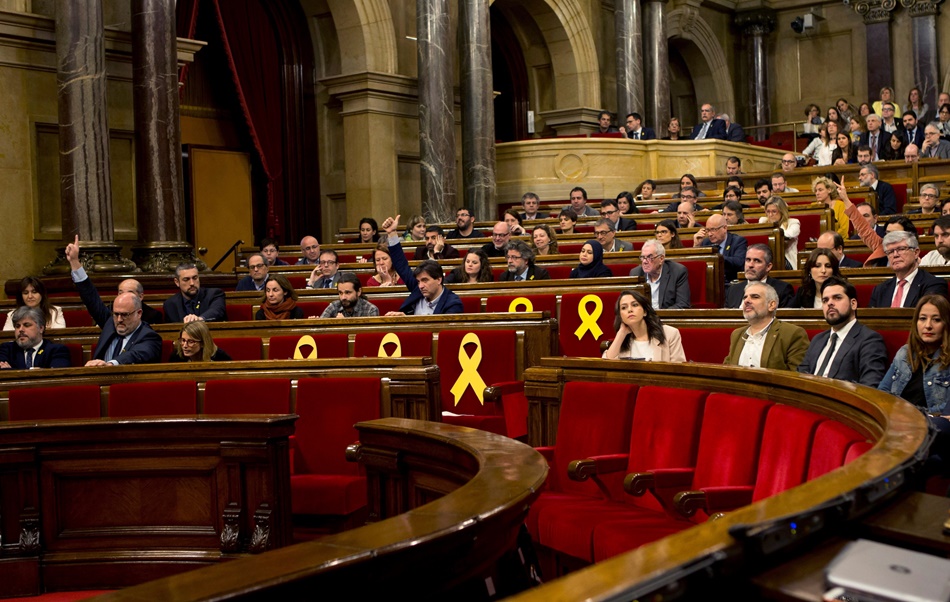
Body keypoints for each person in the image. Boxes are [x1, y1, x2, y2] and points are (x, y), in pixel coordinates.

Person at [65, 235, 162, 366]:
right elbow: (91, 299)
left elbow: (135, 354)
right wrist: (75, 262)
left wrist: (111, 364)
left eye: (125, 315)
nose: (119, 319)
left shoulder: (149, 336)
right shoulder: (111, 323)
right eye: (116, 314)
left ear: (139, 313)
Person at [798, 276, 888, 387]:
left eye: (837, 298)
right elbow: (801, 375)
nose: (830, 303)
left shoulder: (869, 340)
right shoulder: (818, 339)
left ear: (853, 304)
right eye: (825, 300)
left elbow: (870, 386)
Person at [879, 295, 950, 416]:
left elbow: (946, 409)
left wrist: (911, 415)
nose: (928, 325)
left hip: (930, 425)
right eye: (922, 318)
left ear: (947, 324)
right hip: (896, 419)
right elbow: (882, 392)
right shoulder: (904, 353)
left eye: (936, 320)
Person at [382, 215, 463, 315]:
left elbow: (443, 329)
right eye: (418, 281)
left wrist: (409, 320)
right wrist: (392, 233)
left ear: (439, 280)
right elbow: (401, 265)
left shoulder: (453, 303)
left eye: (425, 280)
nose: (420, 286)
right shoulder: (418, 290)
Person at [724, 282, 809, 371]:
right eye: (745, 297)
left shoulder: (791, 333)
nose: (746, 301)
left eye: (755, 297)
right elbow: (727, 370)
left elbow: (797, 376)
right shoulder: (737, 334)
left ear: (771, 305)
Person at [869, 230, 948, 308]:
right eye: (890, 251)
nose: (895, 255)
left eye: (901, 249)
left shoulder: (933, 285)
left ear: (916, 253)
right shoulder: (880, 289)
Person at [602, 290, 686, 362]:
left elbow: (679, 370)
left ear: (645, 311)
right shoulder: (623, 339)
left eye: (635, 305)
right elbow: (607, 365)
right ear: (620, 316)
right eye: (624, 308)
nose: (630, 310)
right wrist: (621, 333)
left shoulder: (670, 334)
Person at [723, 244, 795, 309]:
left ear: (768, 267)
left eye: (757, 261)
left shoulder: (782, 290)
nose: (750, 265)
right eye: (748, 260)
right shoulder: (733, 290)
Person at [0, 306, 70, 369]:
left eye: (26, 325)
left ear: (41, 328)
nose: (20, 329)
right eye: (17, 326)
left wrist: (11, 370)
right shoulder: (6, 350)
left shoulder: (56, 350)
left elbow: (56, 375)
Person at [628, 239, 690, 309]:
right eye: (642, 257)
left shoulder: (677, 272)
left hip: (666, 318)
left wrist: (658, 316)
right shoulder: (636, 273)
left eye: (649, 257)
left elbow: (682, 304)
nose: (644, 261)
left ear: (661, 259)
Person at [694, 213, 748, 282]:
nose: (710, 234)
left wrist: (717, 258)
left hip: (730, 283)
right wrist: (697, 246)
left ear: (724, 228)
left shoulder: (738, 241)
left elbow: (739, 262)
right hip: (711, 282)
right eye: (707, 230)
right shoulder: (706, 242)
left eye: (713, 230)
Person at [759, 196, 800, 270]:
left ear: (782, 211)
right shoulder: (763, 221)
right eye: (768, 211)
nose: (770, 215)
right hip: (765, 258)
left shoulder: (793, 222)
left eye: (774, 211)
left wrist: (774, 227)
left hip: (786, 260)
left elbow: (789, 234)